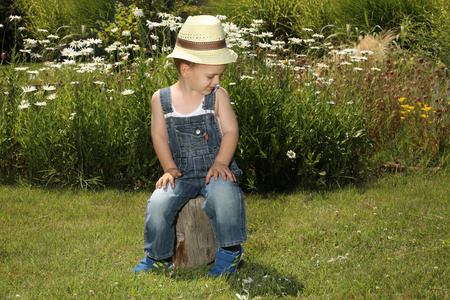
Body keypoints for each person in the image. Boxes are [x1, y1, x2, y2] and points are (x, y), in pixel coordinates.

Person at [132, 15, 247, 277]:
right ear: (186, 70)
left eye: (220, 75)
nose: (216, 81)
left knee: (224, 196)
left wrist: (221, 163)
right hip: (181, 173)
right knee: (159, 202)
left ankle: (230, 251)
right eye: (210, 75)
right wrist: (169, 169)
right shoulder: (161, 99)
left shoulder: (218, 96)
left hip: (215, 171)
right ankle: (158, 256)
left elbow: (230, 131)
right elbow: (159, 137)